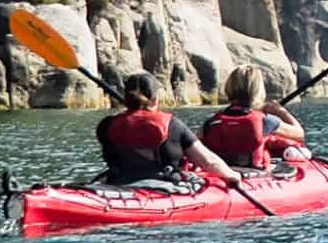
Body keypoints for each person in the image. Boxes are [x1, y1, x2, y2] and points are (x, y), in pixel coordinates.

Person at [96, 72, 242, 187]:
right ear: (156, 99)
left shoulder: (107, 125)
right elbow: (207, 160)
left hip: (117, 183)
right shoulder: (172, 125)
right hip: (165, 186)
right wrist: (230, 174)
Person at [197, 65, 307, 170]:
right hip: (254, 172)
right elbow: (300, 134)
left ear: (229, 88)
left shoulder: (211, 122)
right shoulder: (265, 121)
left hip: (220, 173)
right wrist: (280, 111)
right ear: (258, 91)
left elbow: (196, 147)